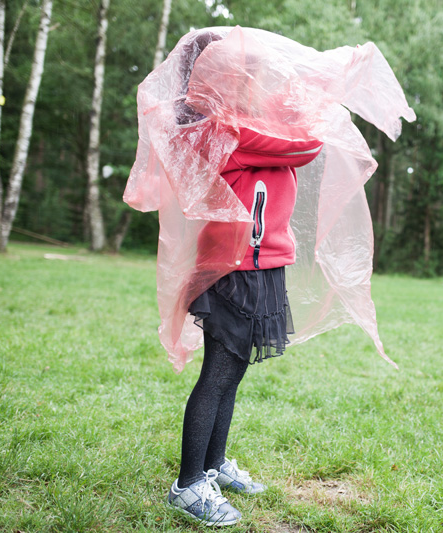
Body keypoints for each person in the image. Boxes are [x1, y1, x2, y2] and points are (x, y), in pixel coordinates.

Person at [124, 27, 414, 527]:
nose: (260, 85)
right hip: (236, 270)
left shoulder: (240, 124)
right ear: (221, 82)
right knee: (217, 375)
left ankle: (213, 466)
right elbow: (305, 145)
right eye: (251, 75)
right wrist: (325, 78)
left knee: (230, 374)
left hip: (260, 267)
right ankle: (189, 484)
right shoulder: (225, 131)